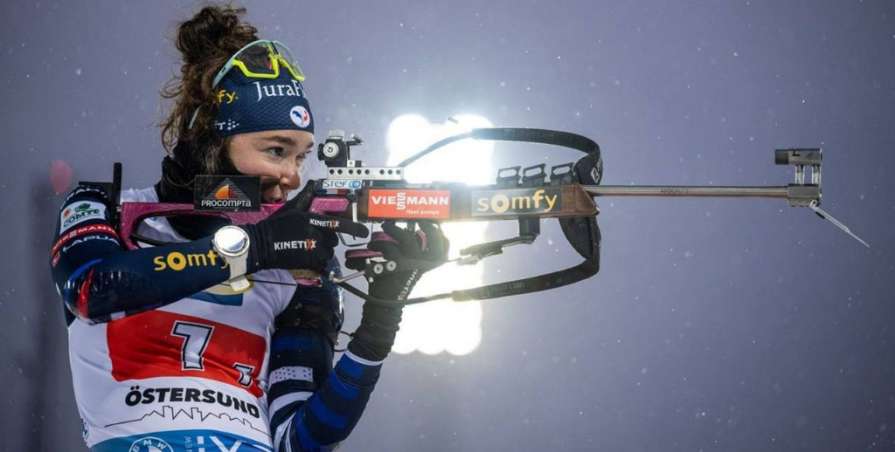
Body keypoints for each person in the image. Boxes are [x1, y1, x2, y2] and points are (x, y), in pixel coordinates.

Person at [49, 6, 448, 451]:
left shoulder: (299, 264)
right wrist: (255, 247)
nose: (293, 176)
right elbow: (93, 289)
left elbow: (299, 441)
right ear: (211, 140)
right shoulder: (103, 207)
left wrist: (380, 323)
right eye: (276, 150)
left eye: (301, 156)